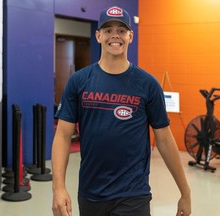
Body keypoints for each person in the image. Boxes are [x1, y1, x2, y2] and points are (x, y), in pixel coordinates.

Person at [52, 5, 191, 216]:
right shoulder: (79, 82)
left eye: (121, 30)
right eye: (108, 30)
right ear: (98, 35)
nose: (114, 36)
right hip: (91, 193)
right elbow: (62, 136)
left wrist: (185, 192)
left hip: (133, 194)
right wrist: (58, 188)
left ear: (130, 36)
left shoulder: (148, 85)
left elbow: (164, 139)